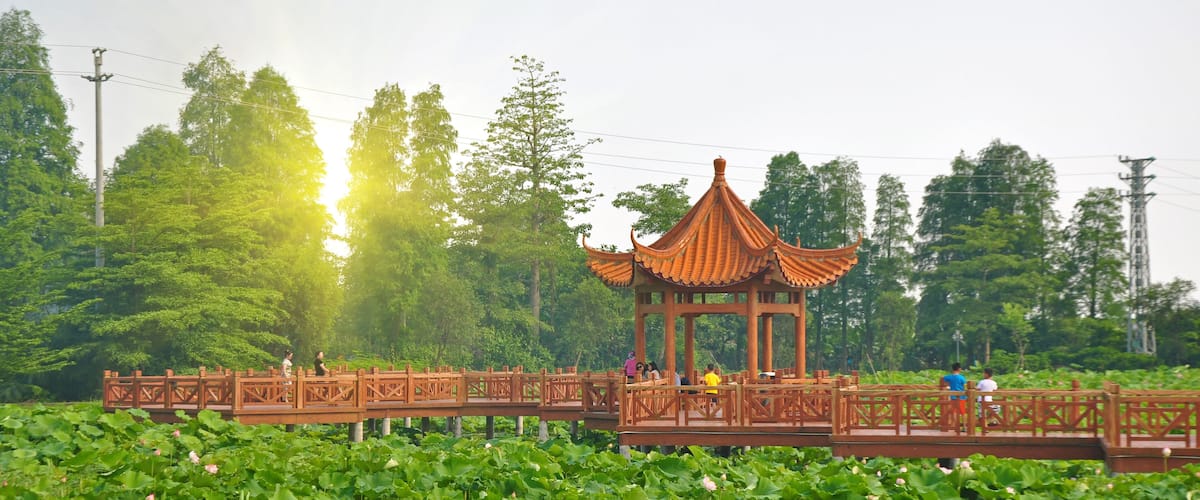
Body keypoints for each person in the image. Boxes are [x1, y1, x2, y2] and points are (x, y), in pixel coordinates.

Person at [939, 362, 967, 430]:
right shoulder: (962, 378)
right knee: (963, 412)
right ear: (959, 369)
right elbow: (964, 387)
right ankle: (964, 426)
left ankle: (955, 426)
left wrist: (947, 385)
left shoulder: (949, 377)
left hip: (953, 397)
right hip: (961, 397)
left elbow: (942, 379)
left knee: (954, 412)